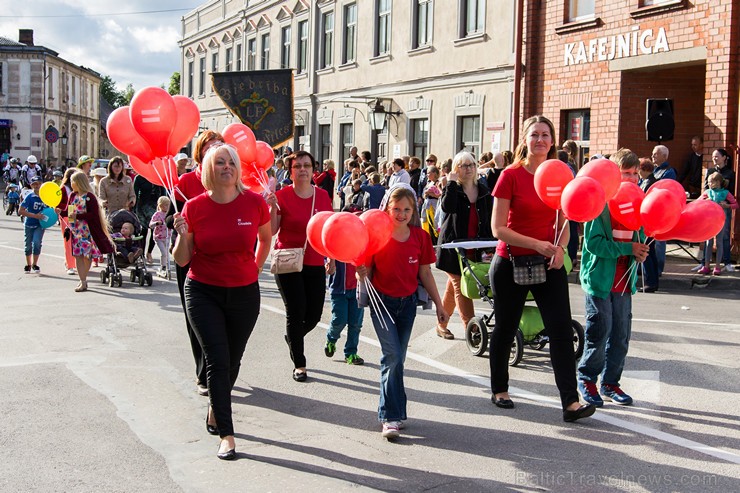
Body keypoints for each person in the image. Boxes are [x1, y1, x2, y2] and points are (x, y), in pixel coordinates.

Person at [489, 115, 594, 422]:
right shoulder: (510, 175)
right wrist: (536, 244)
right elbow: (498, 228)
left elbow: (567, 217)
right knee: (506, 328)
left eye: (545, 135)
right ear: (525, 139)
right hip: (511, 263)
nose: (540, 140)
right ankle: (500, 389)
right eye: (534, 134)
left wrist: (560, 248)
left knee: (561, 330)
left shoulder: (560, 174)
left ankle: (571, 403)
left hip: (549, 262)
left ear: (553, 140)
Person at [173, 143, 271, 461]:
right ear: (208, 170)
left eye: (231, 162)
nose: (226, 166)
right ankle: (227, 435)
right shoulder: (195, 207)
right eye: (219, 163)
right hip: (203, 290)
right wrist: (181, 235)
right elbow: (183, 258)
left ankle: (216, 405)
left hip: (244, 292)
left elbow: (266, 238)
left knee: (233, 360)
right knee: (216, 359)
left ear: (238, 169)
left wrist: (253, 269)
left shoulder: (255, 203)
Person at [356, 184, 448, 439]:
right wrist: (360, 273)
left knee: (397, 360)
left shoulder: (420, 237)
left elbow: (426, 273)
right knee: (393, 356)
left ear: (413, 211)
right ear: (386, 208)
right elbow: (363, 268)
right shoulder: (377, 235)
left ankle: (396, 411)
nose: (401, 214)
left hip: (407, 305)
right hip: (381, 302)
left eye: (407, 209)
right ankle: (390, 417)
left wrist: (440, 305)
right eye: (396, 209)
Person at [577, 149, 649, 408]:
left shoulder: (638, 204)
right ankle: (587, 379)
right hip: (600, 279)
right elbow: (594, 244)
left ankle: (611, 382)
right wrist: (627, 249)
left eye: (634, 174)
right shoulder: (600, 204)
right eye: (624, 173)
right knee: (600, 331)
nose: (630, 178)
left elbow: (639, 238)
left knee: (620, 335)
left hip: (624, 282)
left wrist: (640, 251)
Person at [267, 151, 335, 382]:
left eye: (307, 165)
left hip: (315, 260)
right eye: (298, 166)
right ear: (291, 170)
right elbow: (273, 230)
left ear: (313, 169)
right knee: (295, 312)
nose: (303, 169)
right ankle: (300, 363)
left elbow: (329, 229)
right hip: (288, 261)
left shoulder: (323, 196)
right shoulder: (282, 195)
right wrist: (271, 208)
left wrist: (332, 258)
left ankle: (293, 337)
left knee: (314, 314)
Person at [168, 130, 224, 396]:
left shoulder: (231, 178)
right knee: (196, 318)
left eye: (220, 146)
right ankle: (204, 372)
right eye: (210, 147)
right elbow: (171, 217)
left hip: (223, 257)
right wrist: (180, 224)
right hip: (190, 255)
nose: (215, 150)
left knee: (225, 318)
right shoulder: (187, 181)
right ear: (200, 153)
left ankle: (222, 367)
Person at [435, 151, 493, 340]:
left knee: (453, 289)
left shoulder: (483, 189)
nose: (468, 169)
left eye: (471, 165)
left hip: (476, 247)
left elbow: (489, 216)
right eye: (463, 165)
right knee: (461, 286)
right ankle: (472, 328)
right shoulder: (453, 188)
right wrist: (450, 183)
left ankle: (441, 324)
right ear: (456, 169)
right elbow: (448, 208)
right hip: (454, 247)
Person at [68, 171, 114, 292]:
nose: (71, 183)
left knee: (86, 256)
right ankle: (82, 280)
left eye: (73, 181)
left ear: (78, 182)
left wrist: (78, 216)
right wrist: (62, 213)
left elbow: (93, 215)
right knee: (77, 255)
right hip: (76, 231)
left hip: (87, 231)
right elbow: (69, 211)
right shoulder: (73, 196)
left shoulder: (89, 197)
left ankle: (83, 278)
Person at [324, 259, 365, 366]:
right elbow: (328, 267)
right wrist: (330, 261)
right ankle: (331, 339)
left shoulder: (359, 243)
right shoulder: (335, 244)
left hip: (358, 288)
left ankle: (350, 353)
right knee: (339, 320)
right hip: (339, 290)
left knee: (356, 324)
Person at [696, 172, 738, 275]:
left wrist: (727, 205)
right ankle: (706, 266)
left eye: (710, 182)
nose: (709, 184)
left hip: (720, 220)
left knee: (719, 242)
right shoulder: (708, 192)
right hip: (709, 220)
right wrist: (706, 201)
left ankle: (718, 266)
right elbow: (698, 202)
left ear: (718, 182)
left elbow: (736, 204)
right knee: (708, 243)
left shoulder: (726, 193)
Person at [705, 148, 736, 272]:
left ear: (724, 158)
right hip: (710, 209)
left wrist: (727, 203)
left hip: (723, 209)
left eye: (717, 156)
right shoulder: (710, 171)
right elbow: (705, 189)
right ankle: (704, 263)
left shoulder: (730, 173)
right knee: (707, 236)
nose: (714, 158)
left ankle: (726, 261)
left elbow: (732, 192)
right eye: (713, 156)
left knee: (724, 235)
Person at [133, 172, 165, 265]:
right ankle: (141, 253)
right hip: (142, 206)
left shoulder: (159, 176)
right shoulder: (139, 178)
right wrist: (134, 209)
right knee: (143, 230)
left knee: (155, 229)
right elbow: (135, 193)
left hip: (155, 206)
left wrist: (163, 208)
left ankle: (149, 252)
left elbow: (163, 193)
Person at [19, 177, 46, 273]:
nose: (37, 186)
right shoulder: (29, 197)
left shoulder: (45, 197)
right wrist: (34, 216)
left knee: (37, 242)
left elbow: (50, 210)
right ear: (31, 186)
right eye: (34, 184)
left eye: (39, 184)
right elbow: (21, 211)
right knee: (28, 245)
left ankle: (35, 264)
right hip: (29, 224)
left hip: (40, 225)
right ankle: (28, 264)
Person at [149, 196, 172, 278]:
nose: (167, 207)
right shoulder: (157, 214)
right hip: (159, 237)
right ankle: (163, 266)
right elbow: (150, 225)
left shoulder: (169, 214)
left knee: (166, 253)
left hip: (167, 236)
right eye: (165, 205)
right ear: (161, 205)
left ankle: (166, 266)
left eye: (168, 205)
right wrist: (156, 223)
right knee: (163, 252)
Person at [420, 166, 442, 244]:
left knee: (435, 224)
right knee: (427, 224)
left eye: (429, 173)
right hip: (427, 206)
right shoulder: (429, 183)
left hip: (434, 207)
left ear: (435, 173)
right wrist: (425, 195)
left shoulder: (439, 183)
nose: (427, 175)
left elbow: (441, 195)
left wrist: (432, 194)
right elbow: (423, 195)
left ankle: (436, 241)